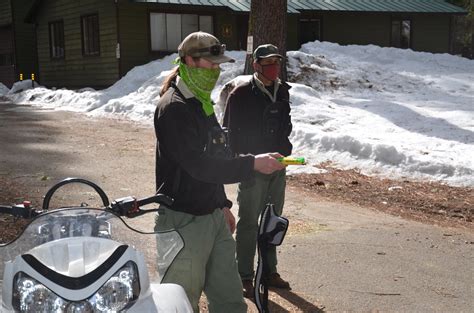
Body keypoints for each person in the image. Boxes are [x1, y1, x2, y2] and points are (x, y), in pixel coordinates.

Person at [153, 32, 285, 313]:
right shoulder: (174, 108)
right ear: (189, 60)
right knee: (179, 304)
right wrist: (252, 163)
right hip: (182, 221)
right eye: (210, 64)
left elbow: (216, 156)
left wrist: (222, 204)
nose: (216, 71)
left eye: (218, 65)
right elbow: (199, 166)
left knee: (230, 302)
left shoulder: (201, 101)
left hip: (212, 217)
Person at [223, 44, 293, 298]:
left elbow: (285, 126)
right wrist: (242, 162)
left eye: (277, 63)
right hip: (251, 168)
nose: (274, 68)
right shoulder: (240, 94)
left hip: (279, 166)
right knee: (249, 224)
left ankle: (270, 271)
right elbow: (228, 134)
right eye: (268, 63)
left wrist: (285, 152)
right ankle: (244, 275)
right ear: (256, 65)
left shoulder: (283, 91)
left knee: (273, 221)